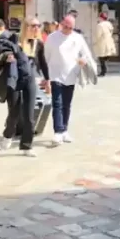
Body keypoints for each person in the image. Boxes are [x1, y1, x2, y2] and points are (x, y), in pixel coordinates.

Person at [42, 14, 99, 145]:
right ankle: (58, 132)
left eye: (70, 28)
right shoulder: (52, 38)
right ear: (61, 24)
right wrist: (49, 74)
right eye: (65, 27)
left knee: (67, 104)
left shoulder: (77, 38)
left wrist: (83, 61)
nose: (67, 30)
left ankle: (65, 130)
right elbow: (47, 55)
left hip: (71, 74)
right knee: (57, 103)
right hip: (56, 74)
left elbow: (85, 53)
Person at [0, 20, 38, 156]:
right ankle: (8, 135)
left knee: (29, 115)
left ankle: (26, 146)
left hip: (30, 79)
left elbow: (41, 62)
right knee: (14, 113)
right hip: (14, 79)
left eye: (38, 26)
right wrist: (6, 55)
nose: (36, 28)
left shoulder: (36, 43)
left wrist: (47, 79)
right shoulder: (12, 38)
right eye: (33, 25)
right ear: (25, 27)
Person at [93, 12, 116, 77]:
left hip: (102, 42)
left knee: (101, 57)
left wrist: (95, 41)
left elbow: (98, 35)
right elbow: (111, 31)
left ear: (101, 18)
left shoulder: (100, 25)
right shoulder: (109, 24)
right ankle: (104, 69)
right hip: (109, 41)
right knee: (106, 55)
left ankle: (103, 71)